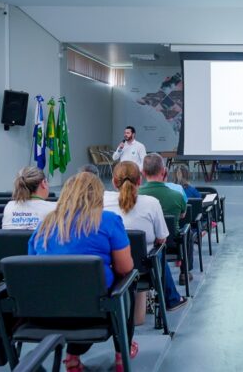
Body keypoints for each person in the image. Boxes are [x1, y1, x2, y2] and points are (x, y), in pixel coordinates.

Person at [28, 172, 136, 372]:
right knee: (129, 283)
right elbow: (125, 268)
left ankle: (72, 359)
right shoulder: (109, 220)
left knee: (68, 289)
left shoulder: (44, 224)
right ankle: (122, 353)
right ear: (98, 195)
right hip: (95, 312)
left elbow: (33, 265)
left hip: (46, 313)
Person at [104, 162, 188, 324]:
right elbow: (162, 237)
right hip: (144, 269)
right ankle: (171, 299)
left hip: (111, 268)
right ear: (139, 181)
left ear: (114, 182)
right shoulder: (151, 203)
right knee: (159, 249)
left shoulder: (103, 201)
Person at [138, 153, 194, 285]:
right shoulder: (177, 195)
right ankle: (185, 272)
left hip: (143, 245)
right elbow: (182, 215)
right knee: (188, 232)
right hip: (171, 242)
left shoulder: (135, 195)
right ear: (164, 172)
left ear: (143, 173)